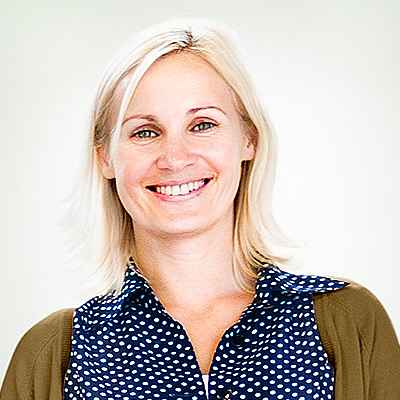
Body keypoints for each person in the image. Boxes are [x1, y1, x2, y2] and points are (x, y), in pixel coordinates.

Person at [1, 18, 399, 400]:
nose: (175, 158)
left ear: (249, 139)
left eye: (203, 125)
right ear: (105, 157)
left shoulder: (346, 321)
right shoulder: (55, 353)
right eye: (145, 132)